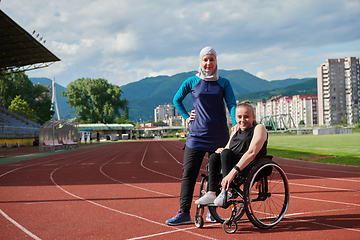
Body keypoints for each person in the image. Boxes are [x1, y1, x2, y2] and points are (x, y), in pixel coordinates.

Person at [165, 46, 237, 226]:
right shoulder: (191, 81)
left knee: (217, 173)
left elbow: (232, 104)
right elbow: (176, 100)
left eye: (211, 59)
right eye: (205, 59)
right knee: (188, 174)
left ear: (216, 61)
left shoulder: (224, 83)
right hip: (196, 136)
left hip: (219, 136)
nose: (208, 63)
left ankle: (213, 211)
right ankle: (183, 213)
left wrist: (235, 123)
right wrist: (185, 116)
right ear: (200, 62)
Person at [194, 101, 268, 206]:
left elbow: (252, 152)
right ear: (235, 118)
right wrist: (221, 150)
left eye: (246, 117)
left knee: (226, 153)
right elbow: (228, 148)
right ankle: (212, 192)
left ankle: (226, 191)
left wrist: (232, 173)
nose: (242, 120)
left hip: (248, 164)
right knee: (215, 155)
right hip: (232, 162)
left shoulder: (259, 128)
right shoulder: (236, 130)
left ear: (253, 117)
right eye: (239, 117)